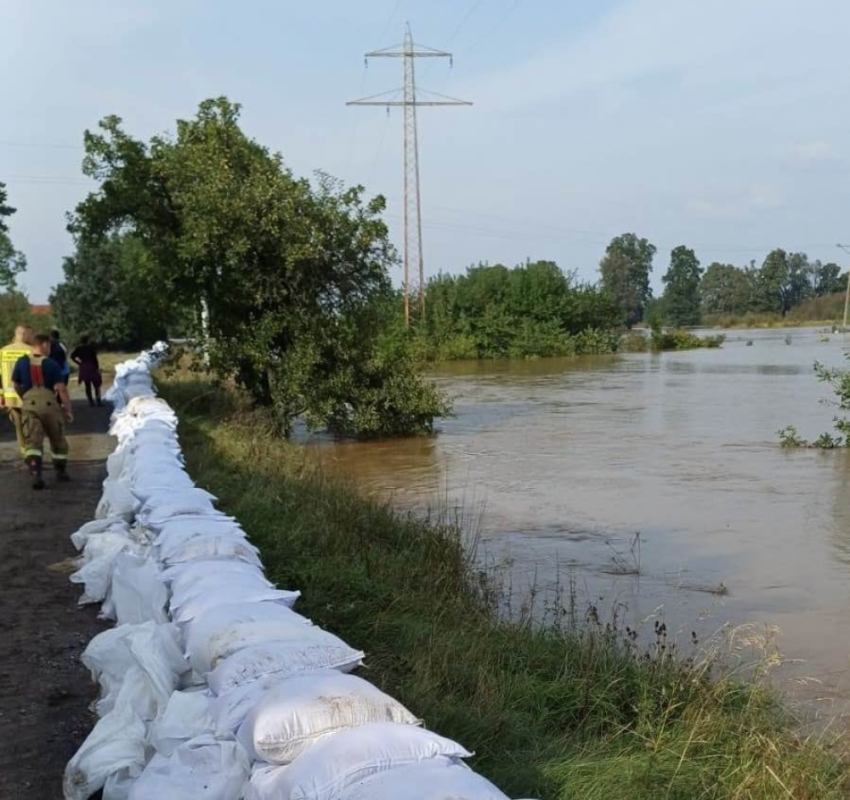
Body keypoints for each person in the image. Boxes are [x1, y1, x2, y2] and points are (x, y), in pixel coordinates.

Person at [12, 333, 74, 489]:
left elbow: (15, 383)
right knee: (57, 438)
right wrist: (68, 409)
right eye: (49, 346)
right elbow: (61, 388)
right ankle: (61, 472)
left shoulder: (21, 362)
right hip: (49, 404)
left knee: (33, 442)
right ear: (45, 345)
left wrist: (24, 397)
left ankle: (36, 475)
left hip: (29, 404)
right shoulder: (51, 364)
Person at [0, 324, 34, 454]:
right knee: (31, 423)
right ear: (25, 334)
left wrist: (1, 395)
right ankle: (32, 451)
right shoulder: (31, 350)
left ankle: (23, 449)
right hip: (27, 394)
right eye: (30, 334)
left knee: (18, 425)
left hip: (10, 396)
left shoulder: (3, 351)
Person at [70, 334, 103, 407]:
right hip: (91, 366)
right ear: (88, 340)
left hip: (84, 366)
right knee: (96, 384)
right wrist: (97, 368)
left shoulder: (78, 348)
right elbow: (95, 359)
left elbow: (72, 356)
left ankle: (91, 402)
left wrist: (79, 363)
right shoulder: (91, 348)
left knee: (87, 385)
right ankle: (98, 401)